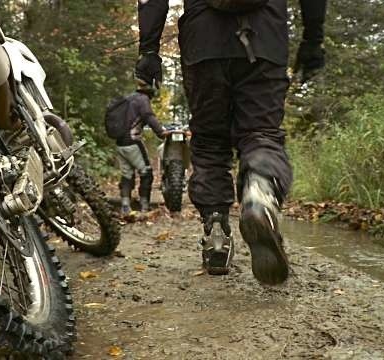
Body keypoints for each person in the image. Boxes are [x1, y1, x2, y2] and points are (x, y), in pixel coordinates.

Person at [135, 0, 326, 284]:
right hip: (266, 38)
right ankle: (259, 192)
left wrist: (149, 51)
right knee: (261, 132)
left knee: (210, 141)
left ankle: (216, 234)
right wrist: (313, 38)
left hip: (203, 43)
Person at [116, 80, 168, 214]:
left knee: (127, 173)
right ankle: (144, 204)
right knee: (147, 173)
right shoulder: (143, 99)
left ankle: (125, 205)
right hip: (133, 141)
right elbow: (148, 116)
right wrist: (161, 133)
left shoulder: (129, 98)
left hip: (120, 143)